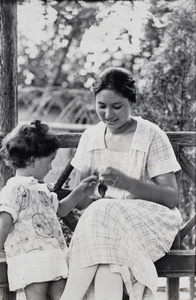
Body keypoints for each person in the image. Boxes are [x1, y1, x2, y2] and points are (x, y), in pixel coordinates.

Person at [60, 67, 183, 300]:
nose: (108, 114)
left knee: (101, 209)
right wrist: (86, 186)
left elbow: (171, 198)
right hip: (103, 225)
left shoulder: (151, 134)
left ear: (131, 101)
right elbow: (82, 203)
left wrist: (127, 184)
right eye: (101, 106)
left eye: (117, 106)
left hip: (150, 220)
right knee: (108, 262)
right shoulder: (90, 137)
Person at [0, 120, 98, 300]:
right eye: (49, 161)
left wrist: (80, 190)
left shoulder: (42, 188)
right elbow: (3, 223)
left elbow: (59, 210)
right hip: (31, 260)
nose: (51, 167)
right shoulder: (12, 190)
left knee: (64, 296)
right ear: (32, 160)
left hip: (55, 257)